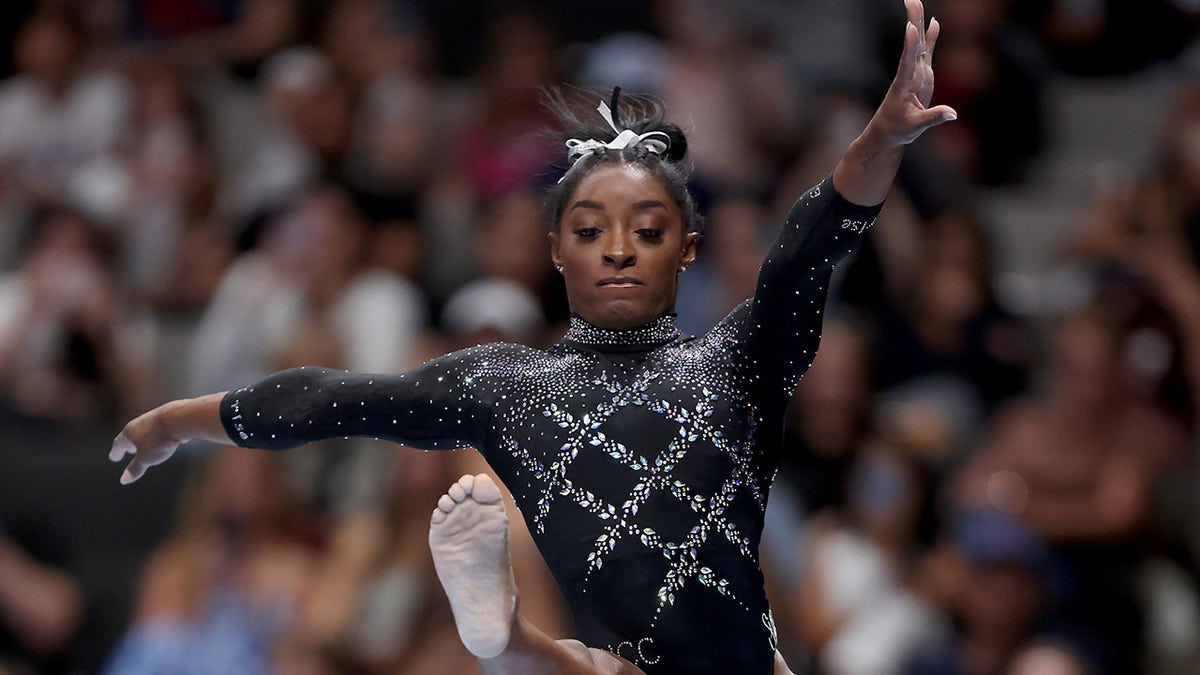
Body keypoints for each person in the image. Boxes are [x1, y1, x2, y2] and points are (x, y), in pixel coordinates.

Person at [109, 2, 955, 672]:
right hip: (678, 660)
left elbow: (807, 249)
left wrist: (880, 140)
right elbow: (339, 396)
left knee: (576, 659)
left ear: (688, 248)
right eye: (590, 230)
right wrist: (184, 417)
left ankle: (507, 641)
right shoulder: (511, 382)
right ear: (555, 250)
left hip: (696, 658)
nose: (619, 248)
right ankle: (508, 641)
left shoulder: (733, 361)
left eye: (648, 229)